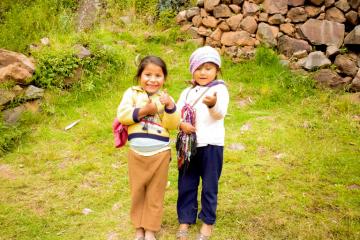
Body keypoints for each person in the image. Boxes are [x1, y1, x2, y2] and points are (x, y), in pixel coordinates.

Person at [117, 56, 180, 240]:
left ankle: (150, 229)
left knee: (155, 192)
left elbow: (172, 124)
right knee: (137, 190)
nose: (153, 79)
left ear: (164, 78)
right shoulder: (132, 93)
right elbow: (123, 115)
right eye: (148, 74)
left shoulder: (165, 98)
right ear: (139, 76)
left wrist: (169, 106)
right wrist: (144, 110)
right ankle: (138, 227)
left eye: (158, 75)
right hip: (136, 152)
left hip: (160, 153)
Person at [175, 46, 229, 240]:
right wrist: (181, 123)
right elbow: (177, 113)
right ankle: (185, 218)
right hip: (189, 146)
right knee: (186, 182)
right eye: (198, 68)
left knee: (209, 185)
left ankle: (207, 222)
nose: (203, 72)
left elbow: (219, 113)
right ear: (192, 70)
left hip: (212, 145)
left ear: (216, 70)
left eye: (208, 68)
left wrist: (212, 104)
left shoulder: (219, 89)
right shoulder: (187, 92)